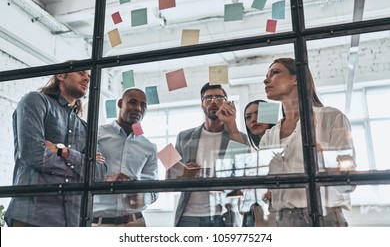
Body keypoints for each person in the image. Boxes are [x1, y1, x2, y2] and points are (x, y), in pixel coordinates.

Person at [260, 57, 356, 227]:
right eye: (267, 75)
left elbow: (348, 183)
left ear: (296, 78)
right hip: (282, 221)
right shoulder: (269, 135)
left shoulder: (331, 118)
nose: (266, 79)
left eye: (275, 72)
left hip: (323, 217)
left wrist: (318, 150)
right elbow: (265, 186)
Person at [5, 68, 106, 227]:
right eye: (81, 73)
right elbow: (34, 154)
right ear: (60, 75)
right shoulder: (35, 101)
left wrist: (64, 152)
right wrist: (82, 166)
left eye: (89, 76)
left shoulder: (86, 128)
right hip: (32, 218)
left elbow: (99, 174)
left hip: (74, 221)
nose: (87, 79)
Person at [167, 82, 250, 227]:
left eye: (219, 97)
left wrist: (231, 124)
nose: (213, 101)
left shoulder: (237, 135)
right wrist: (185, 173)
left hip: (223, 215)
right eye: (208, 98)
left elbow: (244, 167)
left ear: (227, 102)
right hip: (188, 215)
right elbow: (170, 178)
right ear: (201, 104)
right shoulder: (184, 137)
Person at [92, 88, 158, 227]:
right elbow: (79, 173)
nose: (138, 108)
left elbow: (154, 188)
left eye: (143, 105)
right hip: (100, 224)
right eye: (133, 102)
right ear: (120, 103)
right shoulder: (96, 135)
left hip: (135, 223)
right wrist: (105, 180)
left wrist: (142, 197)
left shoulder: (149, 147)